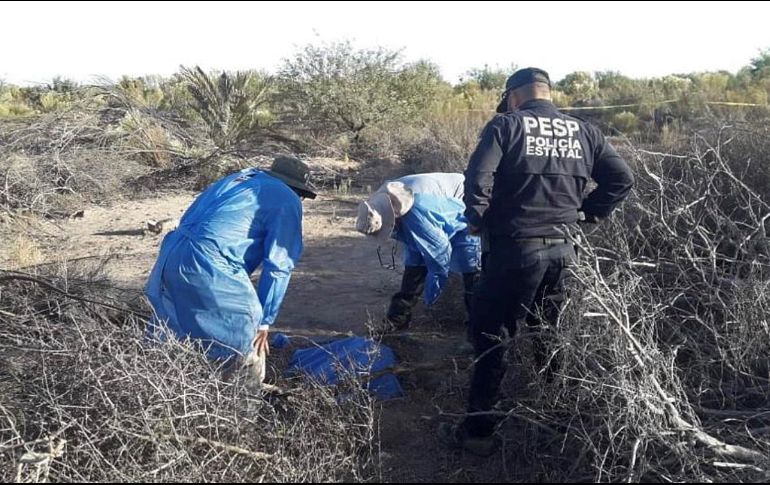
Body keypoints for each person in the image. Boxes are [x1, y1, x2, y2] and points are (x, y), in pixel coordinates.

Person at [439, 68, 635, 455]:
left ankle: (479, 434)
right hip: (564, 251)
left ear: (514, 97)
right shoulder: (584, 131)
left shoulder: (506, 126)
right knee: (550, 335)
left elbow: (478, 177)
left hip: (515, 250)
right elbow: (621, 178)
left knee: (494, 338)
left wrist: (477, 219)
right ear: (547, 93)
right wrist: (586, 215)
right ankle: (556, 423)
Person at [144, 156, 316, 380]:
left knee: (172, 337)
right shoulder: (287, 198)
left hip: (171, 255)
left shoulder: (236, 179)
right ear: (296, 189)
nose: (300, 200)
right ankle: (236, 409)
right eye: (301, 195)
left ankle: (164, 397)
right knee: (244, 341)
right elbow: (279, 265)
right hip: (208, 264)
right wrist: (264, 321)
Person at [355, 173, 481, 332]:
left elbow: (440, 255)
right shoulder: (380, 203)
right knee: (414, 265)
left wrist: (432, 295)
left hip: (467, 203)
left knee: (471, 268)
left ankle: (478, 330)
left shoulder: (418, 216)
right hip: (430, 203)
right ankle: (397, 321)